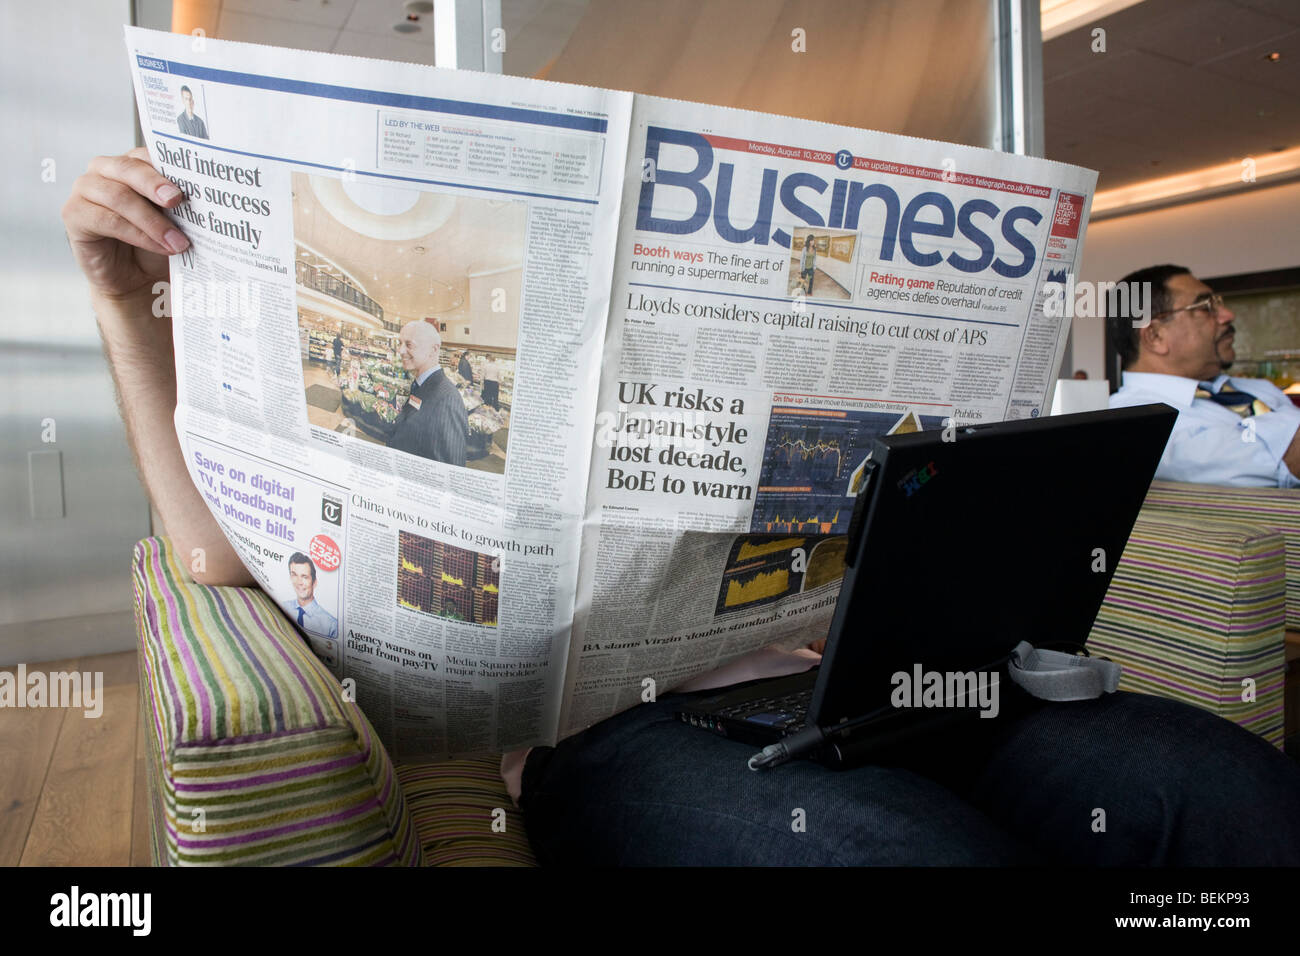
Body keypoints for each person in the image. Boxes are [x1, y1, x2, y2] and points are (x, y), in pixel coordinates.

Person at [64, 150, 1300, 866]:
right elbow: (211, 549)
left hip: (884, 680)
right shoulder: (407, 409)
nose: (430, 333)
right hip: (624, 731)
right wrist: (126, 305)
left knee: (1231, 795)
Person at [1107, 264, 1300, 487]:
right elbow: (1282, 460)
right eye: (1206, 307)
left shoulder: (1260, 388)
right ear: (1155, 336)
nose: (1228, 315)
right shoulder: (1132, 421)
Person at [387, 320, 469, 466]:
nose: (400, 351)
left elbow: (449, 471)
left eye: (409, 344)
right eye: (400, 343)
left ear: (433, 349)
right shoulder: (420, 384)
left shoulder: (447, 400)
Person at [282, 553, 338, 639]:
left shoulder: (331, 625)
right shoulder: (283, 606)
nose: (299, 582)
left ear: (314, 583)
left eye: (304, 577)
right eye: (294, 575)